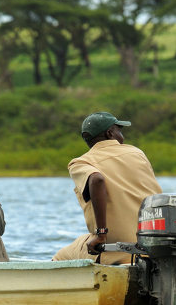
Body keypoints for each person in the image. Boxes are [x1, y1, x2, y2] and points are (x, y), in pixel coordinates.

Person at [53, 111, 162, 265]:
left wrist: (101, 234)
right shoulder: (137, 153)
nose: (122, 136)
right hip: (155, 245)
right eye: (119, 130)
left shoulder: (81, 163)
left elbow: (96, 180)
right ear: (110, 133)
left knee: (60, 257)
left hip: (117, 249)